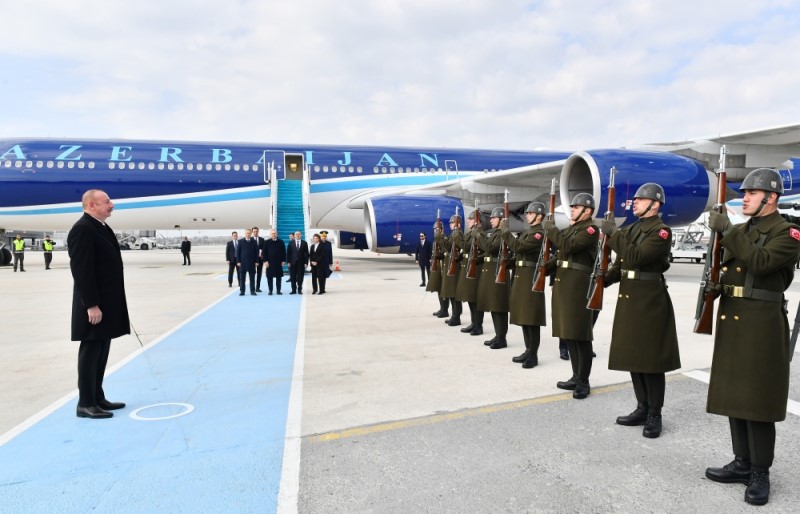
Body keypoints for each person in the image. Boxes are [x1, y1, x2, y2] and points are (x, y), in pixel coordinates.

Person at [703, 168, 800, 506]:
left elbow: (760, 262)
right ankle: (741, 462)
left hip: (761, 323)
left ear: (770, 198)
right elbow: (733, 268)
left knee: (757, 399)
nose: (743, 198)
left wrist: (728, 230)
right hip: (734, 318)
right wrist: (716, 287)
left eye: (751, 193)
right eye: (743, 193)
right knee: (736, 394)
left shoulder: (788, 232)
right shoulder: (744, 230)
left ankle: (760, 472)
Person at [600, 183, 680, 438]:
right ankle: (642, 407)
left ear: (654, 204)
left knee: (651, 360)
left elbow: (635, 257)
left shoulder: (661, 232)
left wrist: (614, 234)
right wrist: (604, 279)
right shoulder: (633, 228)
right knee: (634, 356)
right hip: (630, 299)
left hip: (650, 301)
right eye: (635, 199)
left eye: (640, 199)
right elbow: (623, 263)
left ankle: (655, 414)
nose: (634, 202)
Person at [67, 189, 130, 419]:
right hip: (94, 305)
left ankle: (97, 397)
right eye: (107, 202)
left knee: (102, 350)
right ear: (91, 205)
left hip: (106, 303)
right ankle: (85, 403)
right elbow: (82, 271)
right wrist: (91, 305)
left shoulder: (101, 227)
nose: (112, 205)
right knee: (91, 351)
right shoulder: (82, 229)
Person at [543, 193, 598, 399]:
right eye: (572, 206)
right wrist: (544, 269)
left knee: (580, 336)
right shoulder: (572, 229)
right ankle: (576, 376)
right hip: (564, 284)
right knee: (569, 334)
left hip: (578, 286)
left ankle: (584, 381)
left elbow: (568, 246)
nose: (572, 209)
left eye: (576, 207)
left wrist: (551, 230)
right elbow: (561, 255)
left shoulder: (590, 230)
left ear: (587, 211)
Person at [502, 202, 547, 368]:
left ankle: (533, 355)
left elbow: (519, 247)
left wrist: (505, 232)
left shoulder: (539, 234)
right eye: (527, 213)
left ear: (539, 216)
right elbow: (519, 255)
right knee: (524, 317)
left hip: (530, 278)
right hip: (521, 277)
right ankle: (528, 350)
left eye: (530, 213)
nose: (527, 215)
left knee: (531, 319)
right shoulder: (529, 232)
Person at [477, 207, 512, 349]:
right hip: (492, 271)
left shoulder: (502, 234)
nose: (490, 220)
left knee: (499, 307)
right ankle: (498, 335)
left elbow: (489, 248)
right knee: (493, 306)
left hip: (498, 272)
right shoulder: (496, 233)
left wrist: (479, 234)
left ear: (501, 219)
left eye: (493, 218)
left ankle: (502, 338)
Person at [455, 211, 485, 336]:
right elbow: (465, 246)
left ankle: (478, 325)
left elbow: (466, 246)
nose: (468, 221)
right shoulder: (471, 233)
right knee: (470, 298)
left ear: (477, 222)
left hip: (476, 268)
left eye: (471, 219)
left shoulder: (480, 234)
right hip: (469, 265)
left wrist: (457, 234)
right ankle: (474, 323)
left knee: (475, 299)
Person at [438, 214, 463, 326]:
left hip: (455, 266)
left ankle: (456, 317)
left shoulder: (457, 234)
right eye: (450, 223)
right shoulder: (453, 234)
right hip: (450, 263)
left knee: (454, 293)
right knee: (451, 292)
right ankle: (454, 315)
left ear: (458, 224)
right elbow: (446, 247)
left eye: (452, 223)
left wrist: (439, 237)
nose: (450, 225)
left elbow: (447, 246)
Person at [426, 222, 449, 318]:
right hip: (437, 266)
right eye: (435, 230)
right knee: (438, 288)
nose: (435, 232)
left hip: (443, 266)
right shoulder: (435, 240)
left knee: (443, 289)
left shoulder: (444, 239)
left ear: (442, 230)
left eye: (437, 230)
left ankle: (445, 310)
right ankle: (442, 308)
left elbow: (445, 252)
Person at [236, 228, 259, 296]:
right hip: (242, 263)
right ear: (245, 233)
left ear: (251, 234)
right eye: (247, 233)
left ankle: (252, 291)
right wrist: (238, 261)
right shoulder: (240, 241)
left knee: (252, 278)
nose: (248, 234)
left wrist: (256, 261)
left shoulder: (254, 241)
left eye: (249, 233)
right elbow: (238, 252)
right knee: (242, 279)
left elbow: (256, 252)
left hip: (252, 263)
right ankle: (242, 291)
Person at [264, 229, 286, 295]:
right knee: (269, 277)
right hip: (269, 263)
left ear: (277, 234)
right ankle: (270, 291)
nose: (273, 234)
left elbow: (284, 252)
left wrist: (283, 260)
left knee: (278, 277)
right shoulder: (267, 242)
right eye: (272, 233)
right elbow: (264, 253)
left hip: (279, 262)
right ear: (270, 234)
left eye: (275, 233)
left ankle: (278, 290)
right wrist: (265, 261)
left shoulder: (281, 242)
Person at [252, 227, 266, 292]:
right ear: (252, 232)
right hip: (252, 260)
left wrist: (263, 255)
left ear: (258, 232)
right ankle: (252, 288)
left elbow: (264, 249)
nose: (255, 233)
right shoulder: (250, 239)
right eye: (254, 231)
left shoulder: (262, 239)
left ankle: (257, 287)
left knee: (259, 273)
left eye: (256, 231)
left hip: (260, 259)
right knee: (252, 273)